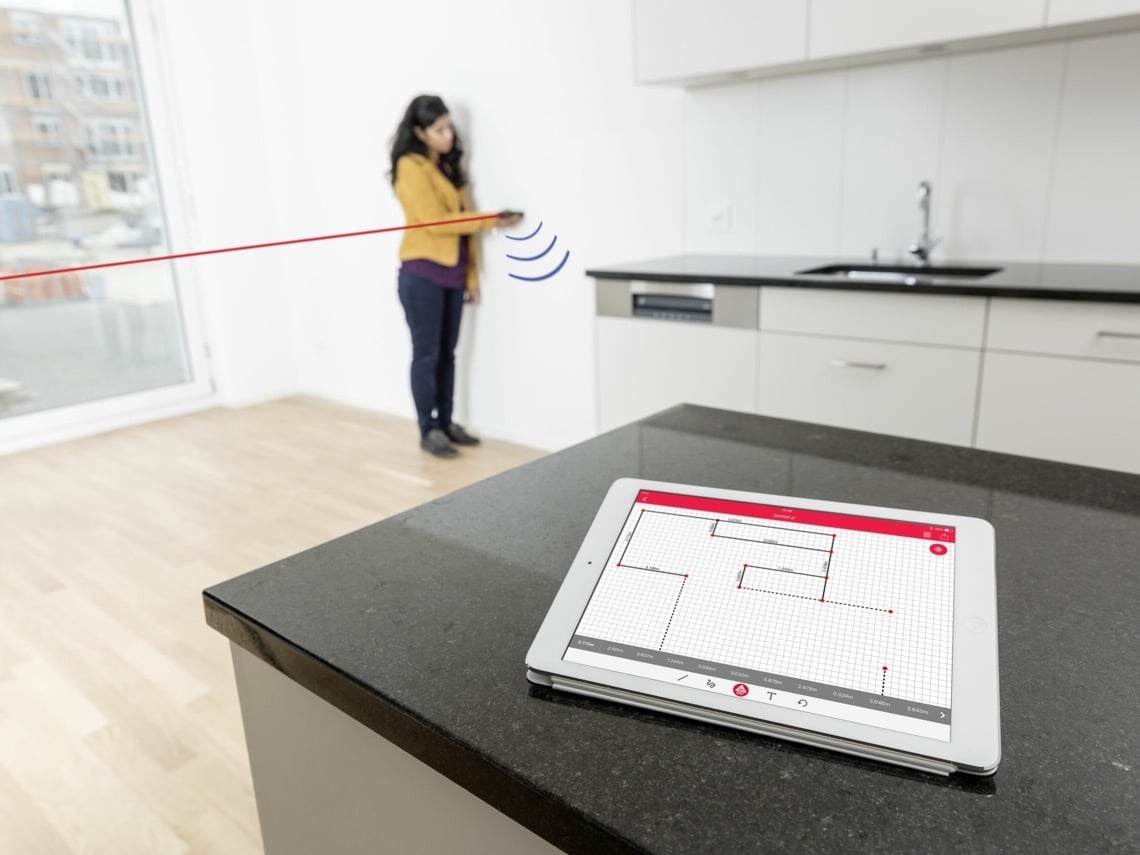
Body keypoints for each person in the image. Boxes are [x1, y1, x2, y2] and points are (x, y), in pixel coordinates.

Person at [389, 94, 522, 458]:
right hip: (422, 274)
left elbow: (466, 232)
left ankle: (446, 424)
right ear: (420, 132)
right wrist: (491, 219)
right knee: (427, 355)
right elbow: (438, 223)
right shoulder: (410, 166)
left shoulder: (449, 167)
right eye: (439, 129)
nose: (448, 135)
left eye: (448, 127)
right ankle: (428, 429)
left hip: (453, 275)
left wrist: (472, 280)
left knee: (448, 354)